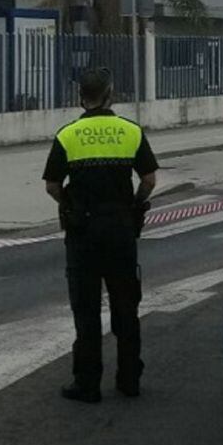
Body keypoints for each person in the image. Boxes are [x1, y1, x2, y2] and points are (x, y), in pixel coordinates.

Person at [42, 67, 158, 403]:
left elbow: (51, 186)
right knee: (126, 307)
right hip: (121, 231)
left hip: (83, 234)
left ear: (81, 98)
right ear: (110, 94)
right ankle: (129, 380)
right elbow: (149, 179)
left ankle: (87, 383)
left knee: (86, 310)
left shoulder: (68, 135)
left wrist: (70, 203)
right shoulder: (130, 131)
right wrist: (134, 205)